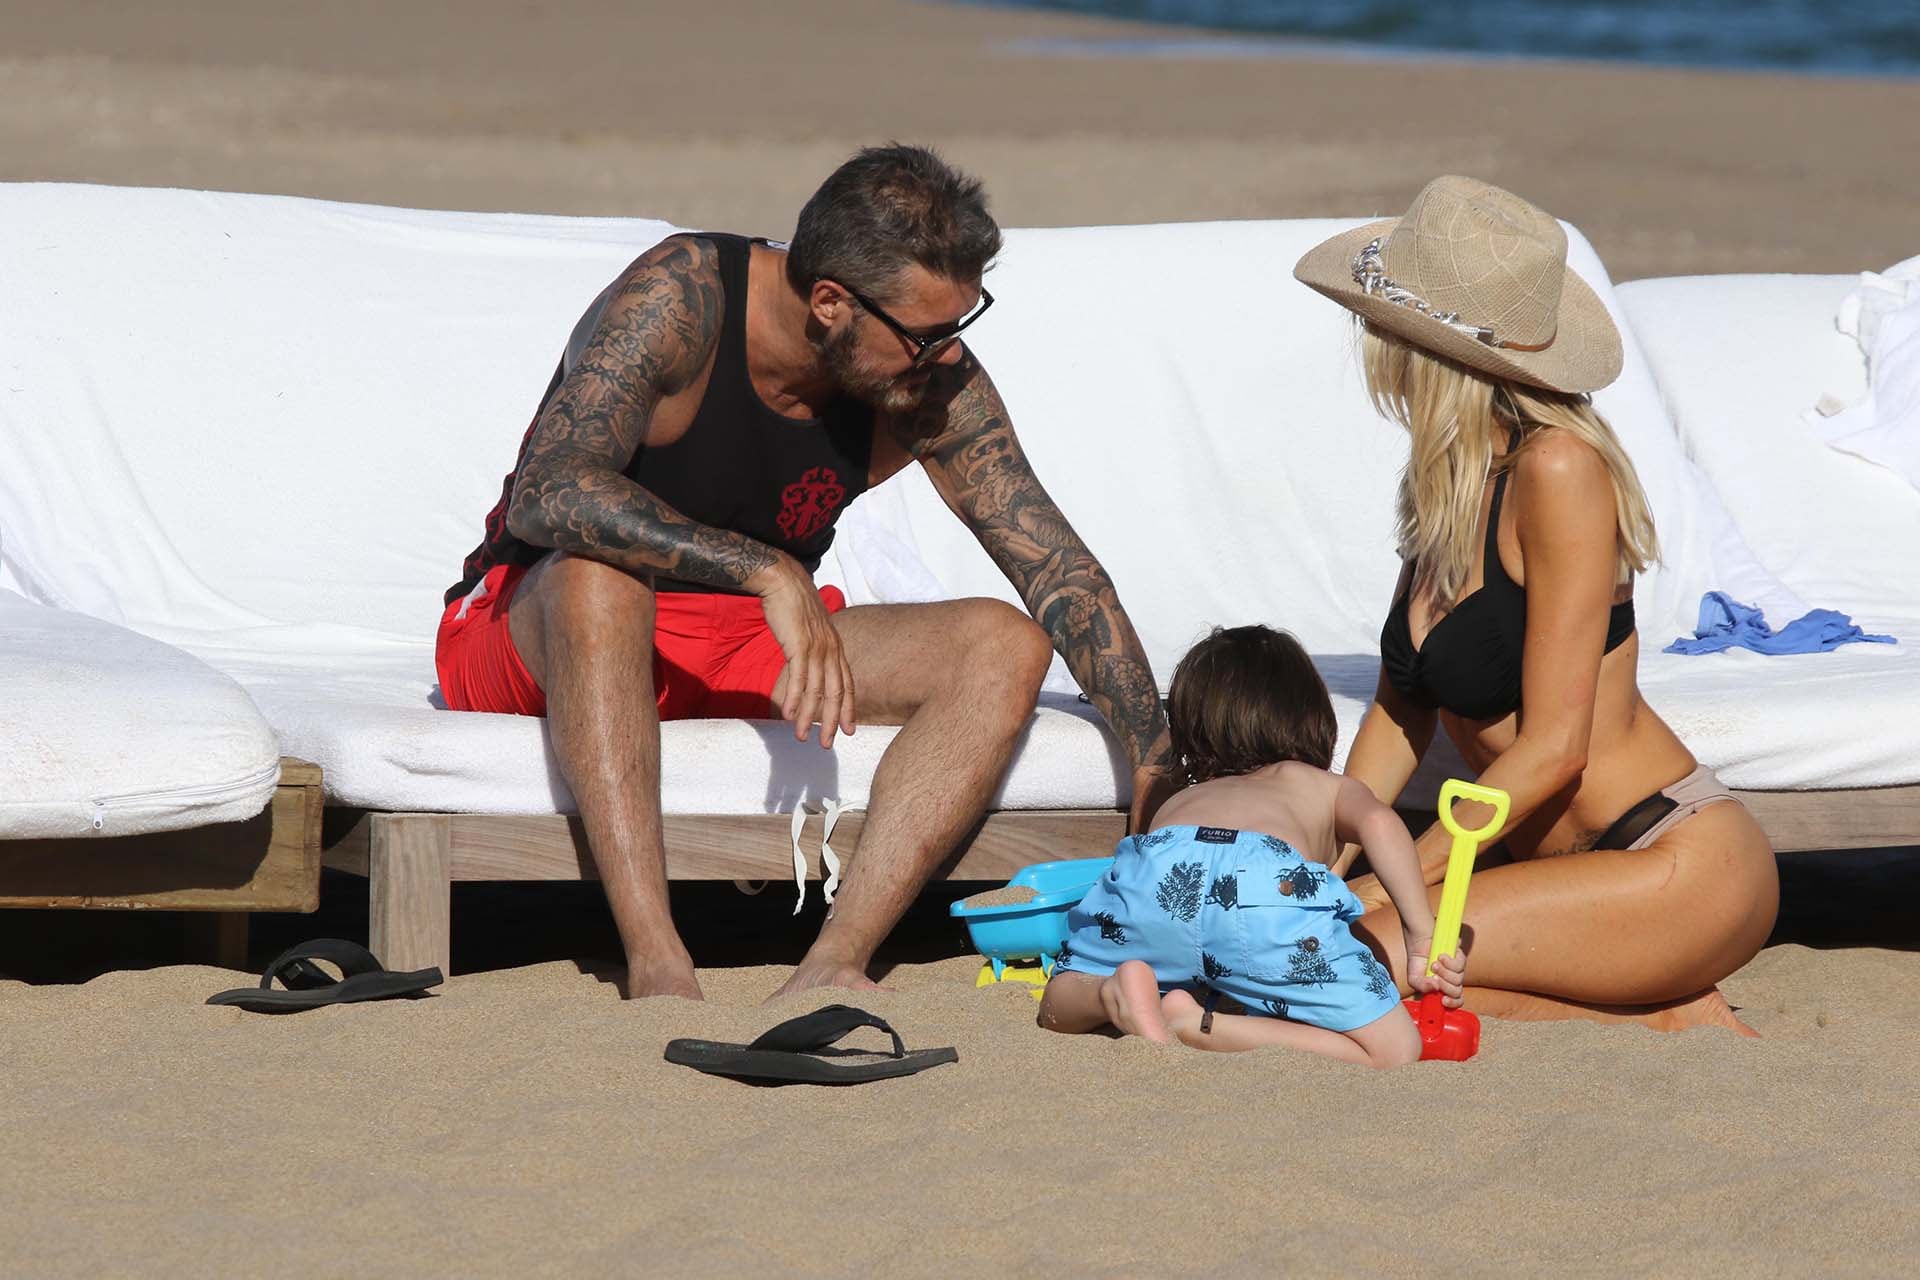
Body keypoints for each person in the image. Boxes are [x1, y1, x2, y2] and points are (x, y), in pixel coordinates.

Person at [435, 144, 1173, 1001]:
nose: (946, 356)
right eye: (926, 335)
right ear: (830, 303)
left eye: (962, 325)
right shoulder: (683, 299)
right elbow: (549, 492)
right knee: (602, 583)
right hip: (540, 625)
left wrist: (1153, 751)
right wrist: (767, 572)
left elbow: (1057, 570)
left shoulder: (925, 381)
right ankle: (658, 960)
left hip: (745, 642)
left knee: (1003, 643)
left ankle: (834, 961)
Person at [1292, 175, 1778, 1033]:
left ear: (1419, 344)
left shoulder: (1557, 469)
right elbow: (1402, 712)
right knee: (1297, 946)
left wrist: (1399, 876)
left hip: (1669, 860)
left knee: (1336, 959)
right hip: (1555, 877)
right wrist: (1313, 870)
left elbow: (1554, 748)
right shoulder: (1448, 482)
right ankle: (1659, 1013)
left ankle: (1658, 1014)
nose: (1363, 330)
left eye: (1377, 317)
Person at [1038, 626, 1465, 1066]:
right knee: (1394, 1050)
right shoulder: (1321, 786)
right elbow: (1379, 822)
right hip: (1262, 888)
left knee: (1063, 991)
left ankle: (1110, 992)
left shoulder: (1181, 795)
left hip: (1162, 868)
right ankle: (1199, 1025)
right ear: (1312, 718)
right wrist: (1421, 933)